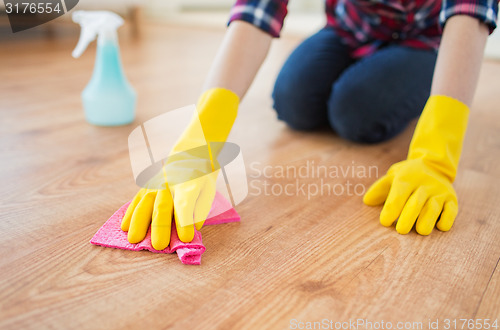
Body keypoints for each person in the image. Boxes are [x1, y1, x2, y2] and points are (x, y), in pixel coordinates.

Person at [121, 0, 498, 250]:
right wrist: (197, 144)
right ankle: (372, 72)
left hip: (426, 40)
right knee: (294, 103)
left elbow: (469, 10)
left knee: (355, 113)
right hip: (351, 29)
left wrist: (435, 155)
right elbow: (257, 11)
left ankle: (414, 78)